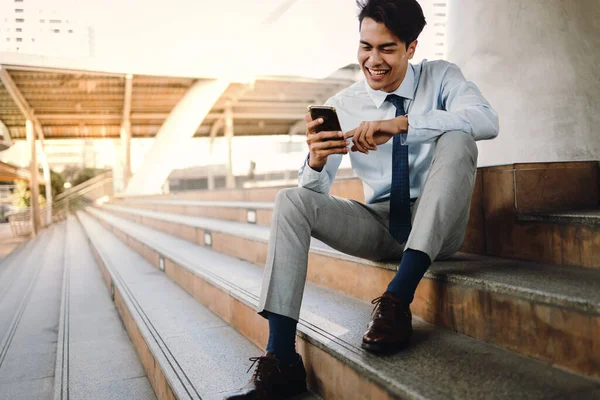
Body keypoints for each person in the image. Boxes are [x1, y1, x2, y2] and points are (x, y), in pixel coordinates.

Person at [225, 0, 499, 398]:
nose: (373, 60)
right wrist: (316, 162)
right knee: (291, 200)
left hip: (438, 225)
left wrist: (404, 124)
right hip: (381, 224)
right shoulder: (344, 103)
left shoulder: (441, 77)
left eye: (387, 48)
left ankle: (396, 301)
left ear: (411, 48)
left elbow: (486, 119)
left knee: (458, 138)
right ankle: (281, 360)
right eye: (365, 47)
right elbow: (315, 196)